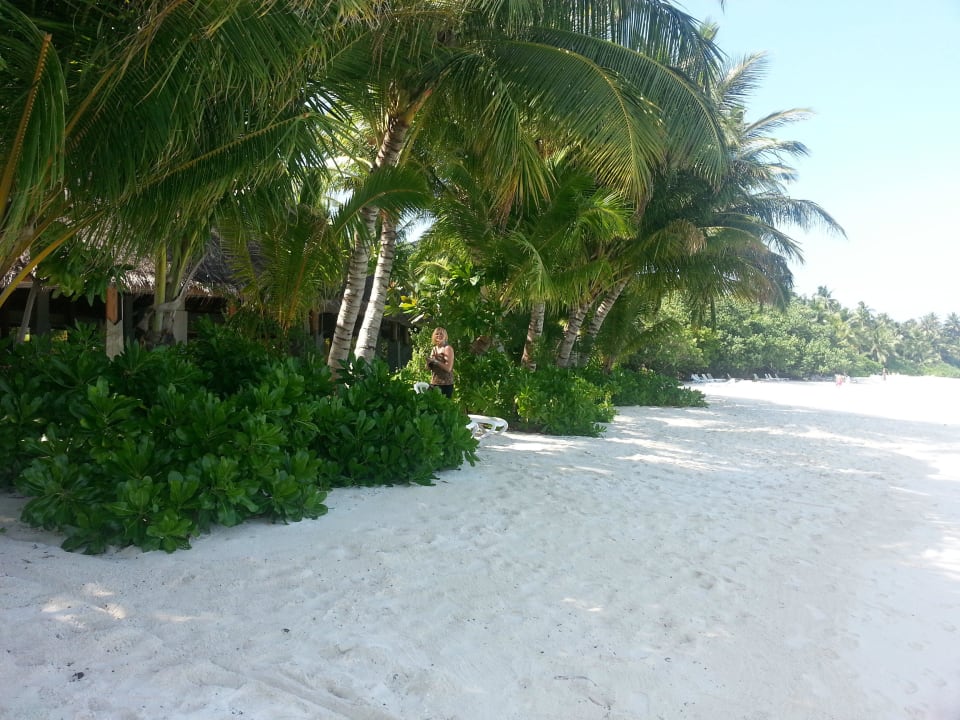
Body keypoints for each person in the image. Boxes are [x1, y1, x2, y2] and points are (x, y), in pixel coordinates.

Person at [426, 327, 455, 398]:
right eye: (437, 334)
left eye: (441, 334)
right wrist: (428, 362)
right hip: (434, 382)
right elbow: (428, 368)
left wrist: (435, 361)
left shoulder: (447, 348)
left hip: (445, 384)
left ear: (445, 336)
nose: (439, 335)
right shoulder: (434, 349)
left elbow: (448, 368)